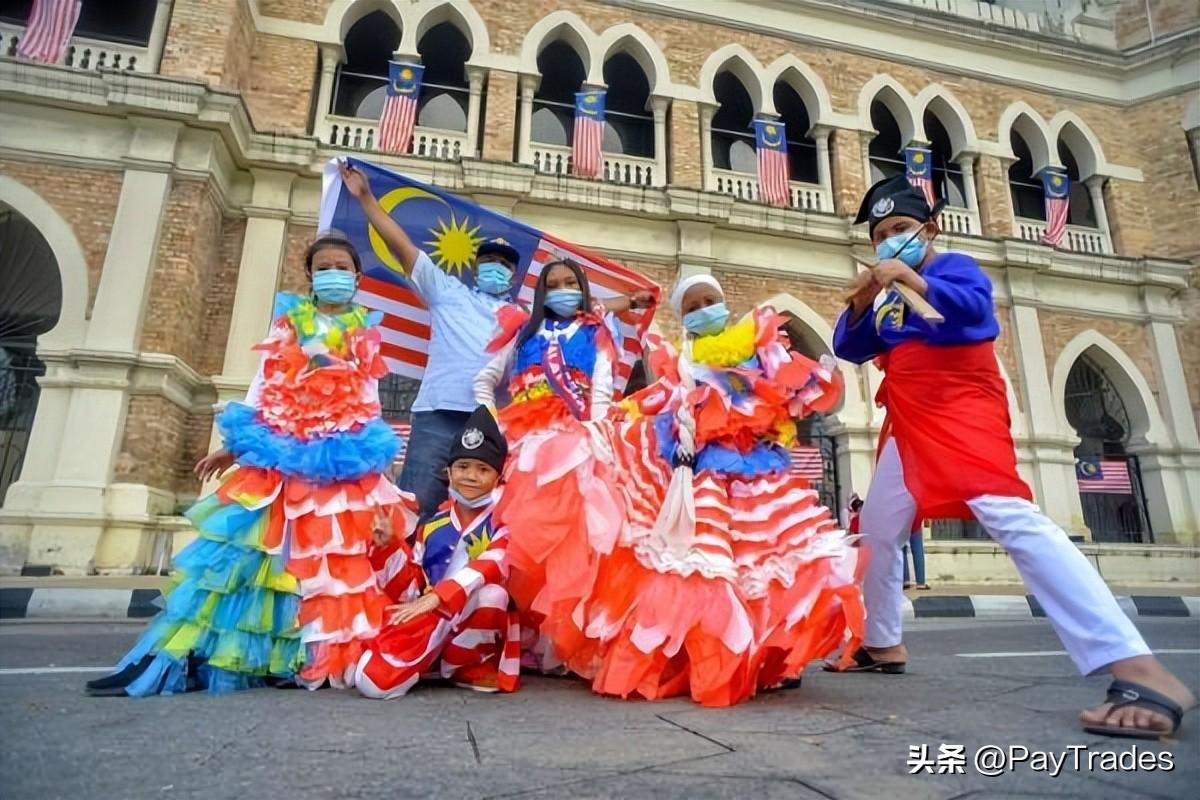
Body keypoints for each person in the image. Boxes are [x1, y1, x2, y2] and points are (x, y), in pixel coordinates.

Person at [828, 174, 1194, 739]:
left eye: (899, 229)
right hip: (906, 423)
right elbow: (850, 346)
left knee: (1011, 519)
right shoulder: (888, 303)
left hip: (960, 414)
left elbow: (973, 313)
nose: (888, 241)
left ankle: (1138, 667)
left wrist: (910, 278)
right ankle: (881, 642)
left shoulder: (953, 270)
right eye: (880, 235)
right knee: (877, 532)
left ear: (930, 229)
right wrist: (862, 297)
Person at [86, 230, 408, 696]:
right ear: (310, 277)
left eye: (342, 268)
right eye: (324, 268)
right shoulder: (288, 325)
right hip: (277, 454)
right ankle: (182, 659)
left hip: (336, 460)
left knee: (323, 568)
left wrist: (380, 472)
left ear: (357, 277)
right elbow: (263, 387)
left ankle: (298, 661)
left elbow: (369, 401)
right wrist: (232, 447)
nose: (334, 275)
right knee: (246, 558)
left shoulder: (366, 334)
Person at [560, 274, 864, 707]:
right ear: (683, 317)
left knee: (776, 561)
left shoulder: (760, 344)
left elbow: (789, 390)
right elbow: (655, 401)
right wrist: (614, 417)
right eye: (693, 305)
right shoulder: (680, 363)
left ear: (724, 303)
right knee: (717, 570)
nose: (704, 308)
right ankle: (729, 655)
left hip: (763, 476)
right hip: (708, 482)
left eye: (710, 300)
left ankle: (772, 658)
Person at [338, 163, 650, 522]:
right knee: (416, 508)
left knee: (489, 516)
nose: (495, 267)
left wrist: (628, 302)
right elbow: (402, 247)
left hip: (496, 424)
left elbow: (582, 308)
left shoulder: (527, 318)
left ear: (514, 276)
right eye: (488, 261)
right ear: (475, 267)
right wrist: (365, 198)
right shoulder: (445, 291)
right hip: (438, 415)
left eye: (503, 264)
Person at [473, 258, 641, 670]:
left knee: (575, 543)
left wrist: (598, 439)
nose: (562, 289)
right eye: (554, 284)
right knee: (522, 540)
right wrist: (493, 427)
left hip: (575, 446)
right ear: (541, 292)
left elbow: (602, 391)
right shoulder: (522, 332)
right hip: (525, 448)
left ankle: (564, 641)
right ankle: (525, 634)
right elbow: (483, 382)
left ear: (581, 289)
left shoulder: (596, 332)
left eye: (570, 283)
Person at [355, 406, 520, 698]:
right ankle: (432, 659)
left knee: (494, 595)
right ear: (448, 472)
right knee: (370, 679)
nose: (470, 476)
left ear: (498, 478)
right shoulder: (432, 525)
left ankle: (465, 666)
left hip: (466, 613)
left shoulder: (505, 522)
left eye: (483, 470)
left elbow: (491, 564)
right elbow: (409, 591)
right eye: (463, 467)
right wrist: (389, 548)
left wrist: (438, 598)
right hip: (433, 616)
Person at [901, 519, 929, 590]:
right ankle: (920, 582)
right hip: (915, 518)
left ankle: (905, 580)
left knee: (902, 548)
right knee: (918, 548)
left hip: (901, 518)